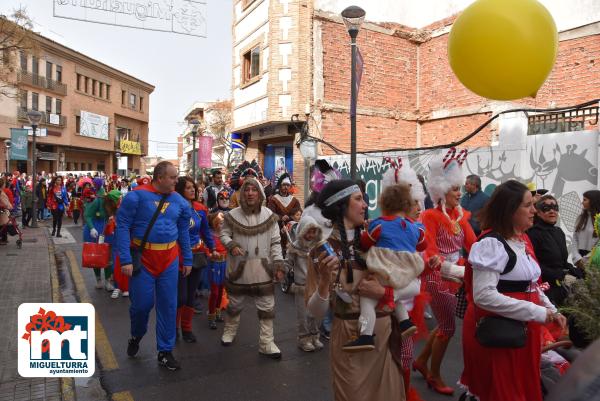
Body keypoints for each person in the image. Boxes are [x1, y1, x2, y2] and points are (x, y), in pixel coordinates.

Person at [460, 180, 566, 401]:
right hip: (501, 334)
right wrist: (537, 312)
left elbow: (531, 284)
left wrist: (551, 310)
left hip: (521, 331)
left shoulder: (518, 241)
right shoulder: (491, 244)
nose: (534, 210)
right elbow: (483, 296)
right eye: (528, 205)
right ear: (510, 210)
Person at [306, 179, 406, 401]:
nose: (365, 205)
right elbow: (315, 313)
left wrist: (384, 294)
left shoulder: (380, 238)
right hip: (349, 339)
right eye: (358, 199)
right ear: (341, 205)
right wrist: (323, 281)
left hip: (385, 336)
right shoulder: (322, 250)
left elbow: (410, 284)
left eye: (364, 199)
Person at [116, 161, 193, 371]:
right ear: (160, 178)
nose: (177, 181)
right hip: (144, 259)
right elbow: (122, 226)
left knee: (169, 305)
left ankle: (165, 351)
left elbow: (184, 231)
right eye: (173, 178)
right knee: (141, 305)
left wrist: (187, 259)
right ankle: (136, 334)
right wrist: (125, 259)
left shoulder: (180, 201)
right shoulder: (135, 197)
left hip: (169, 259)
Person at [413, 148, 477, 396]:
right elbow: (429, 251)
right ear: (441, 191)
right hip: (436, 277)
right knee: (448, 327)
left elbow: (475, 244)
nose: (459, 193)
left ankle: (421, 361)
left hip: (456, 277)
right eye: (454, 189)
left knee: (444, 325)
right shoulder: (429, 216)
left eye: (459, 188)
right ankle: (434, 374)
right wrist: (454, 269)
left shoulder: (460, 217)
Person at [347, 183, 425, 351]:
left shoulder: (379, 224)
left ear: (385, 204)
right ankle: (405, 322)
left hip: (386, 269)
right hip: (407, 272)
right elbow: (422, 245)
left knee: (367, 300)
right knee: (393, 295)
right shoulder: (416, 227)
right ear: (407, 205)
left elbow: (366, 243)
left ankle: (366, 335)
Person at [219, 174, 285, 359]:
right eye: (246, 189)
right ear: (241, 193)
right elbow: (223, 235)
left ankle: (266, 343)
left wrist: (279, 263)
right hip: (238, 268)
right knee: (234, 303)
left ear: (260, 193)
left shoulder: (270, 216)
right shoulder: (232, 215)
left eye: (254, 189)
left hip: (263, 269)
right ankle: (230, 331)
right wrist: (231, 245)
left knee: (267, 307)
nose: (250, 193)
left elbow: (275, 243)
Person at [174, 176, 216, 343]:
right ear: (180, 190)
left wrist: (212, 247)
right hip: (179, 257)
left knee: (191, 295)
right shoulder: (174, 208)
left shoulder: (200, 209)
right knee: (181, 297)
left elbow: (206, 231)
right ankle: (174, 328)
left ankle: (187, 329)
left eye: (194, 187)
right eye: (188, 187)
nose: (193, 190)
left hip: (197, 255)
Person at [527, 194, 584, 306]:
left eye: (555, 207)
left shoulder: (559, 232)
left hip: (562, 287)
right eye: (546, 208)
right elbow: (533, 265)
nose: (552, 211)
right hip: (546, 289)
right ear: (538, 212)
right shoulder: (533, 234)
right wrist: (560, 275)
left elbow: (563, 262)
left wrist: (574, 271)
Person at [285, 215, 324, 352]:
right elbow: (287, 262)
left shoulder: (318, 247)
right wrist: (281, 270)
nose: (310, 235)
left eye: (313, 232)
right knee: (303, 315)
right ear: (301, 231)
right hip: (301, 286)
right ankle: (303, 339)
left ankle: (314, 336)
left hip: (316, 286)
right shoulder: (295, 247)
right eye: (308, 231)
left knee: (314, 314)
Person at [84, 177, 116, 291]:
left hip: (107, 230)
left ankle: (107, 281)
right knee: (95, 255)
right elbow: (87, 215)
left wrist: (113, 218)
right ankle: (99, 280)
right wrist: (92, 228)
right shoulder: (96, 200)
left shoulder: (108, 197)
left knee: (108, 256)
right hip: (96, 230)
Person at [267, 173, 301, 255]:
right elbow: (270, 213)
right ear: (280, 186)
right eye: (284, 185)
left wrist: (289, 217)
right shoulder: (274, 199)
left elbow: (299, 212)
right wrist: (281, 217)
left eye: (288, 185)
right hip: (277, 228)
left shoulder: (294, 200)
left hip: (291, 229)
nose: (286, 187)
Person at [206, 212, 228, 330]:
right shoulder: (209, 235)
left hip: (224, 264)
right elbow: (205, 249)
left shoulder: (226, 235)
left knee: (220, 290)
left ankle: (218, 313)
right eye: (220, 223)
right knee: (214, 292)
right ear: (215, 224)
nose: (222, 225)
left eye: (223, 223)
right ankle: (211, 316)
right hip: (214, 265)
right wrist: (210, 254)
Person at [571, 190, 600, 269]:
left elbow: (599, 245)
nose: (582, 202)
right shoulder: (580, 217)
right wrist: (577, 258)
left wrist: (586, 260)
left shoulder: (599, 219)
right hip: (580, 260)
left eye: (585, 200)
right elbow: (575, 239)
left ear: (593, 201)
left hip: (595, 260)